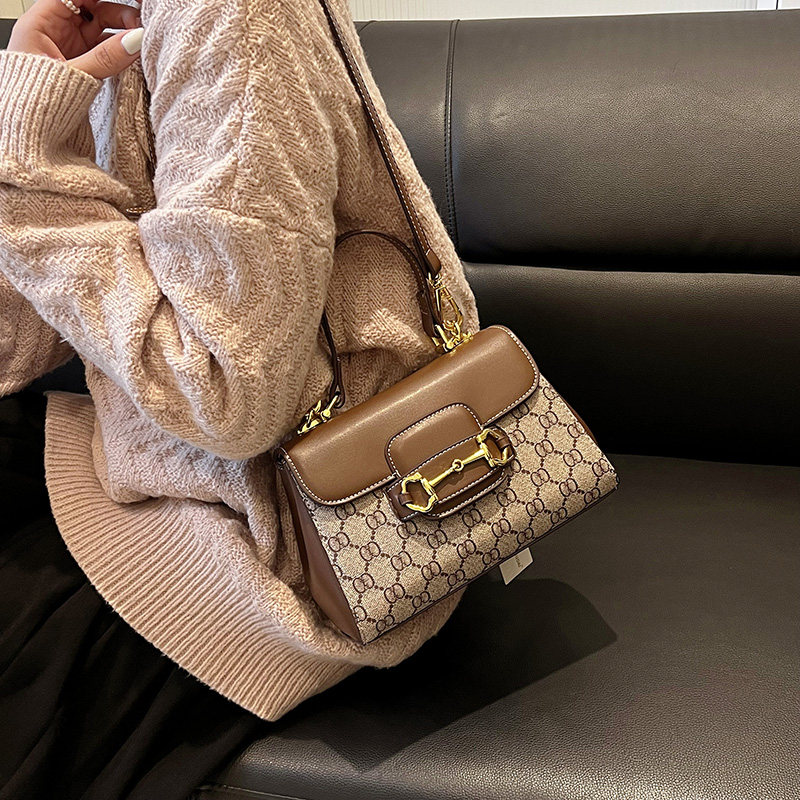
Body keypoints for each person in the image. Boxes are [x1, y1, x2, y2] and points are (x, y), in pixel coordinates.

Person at [0, 0, 481, 796]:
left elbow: (226, 393)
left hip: (285, 541)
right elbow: (22, 345)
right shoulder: (133, 23)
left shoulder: (236, 16)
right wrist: (40, 128)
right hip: (172, 465)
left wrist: (23, 173)